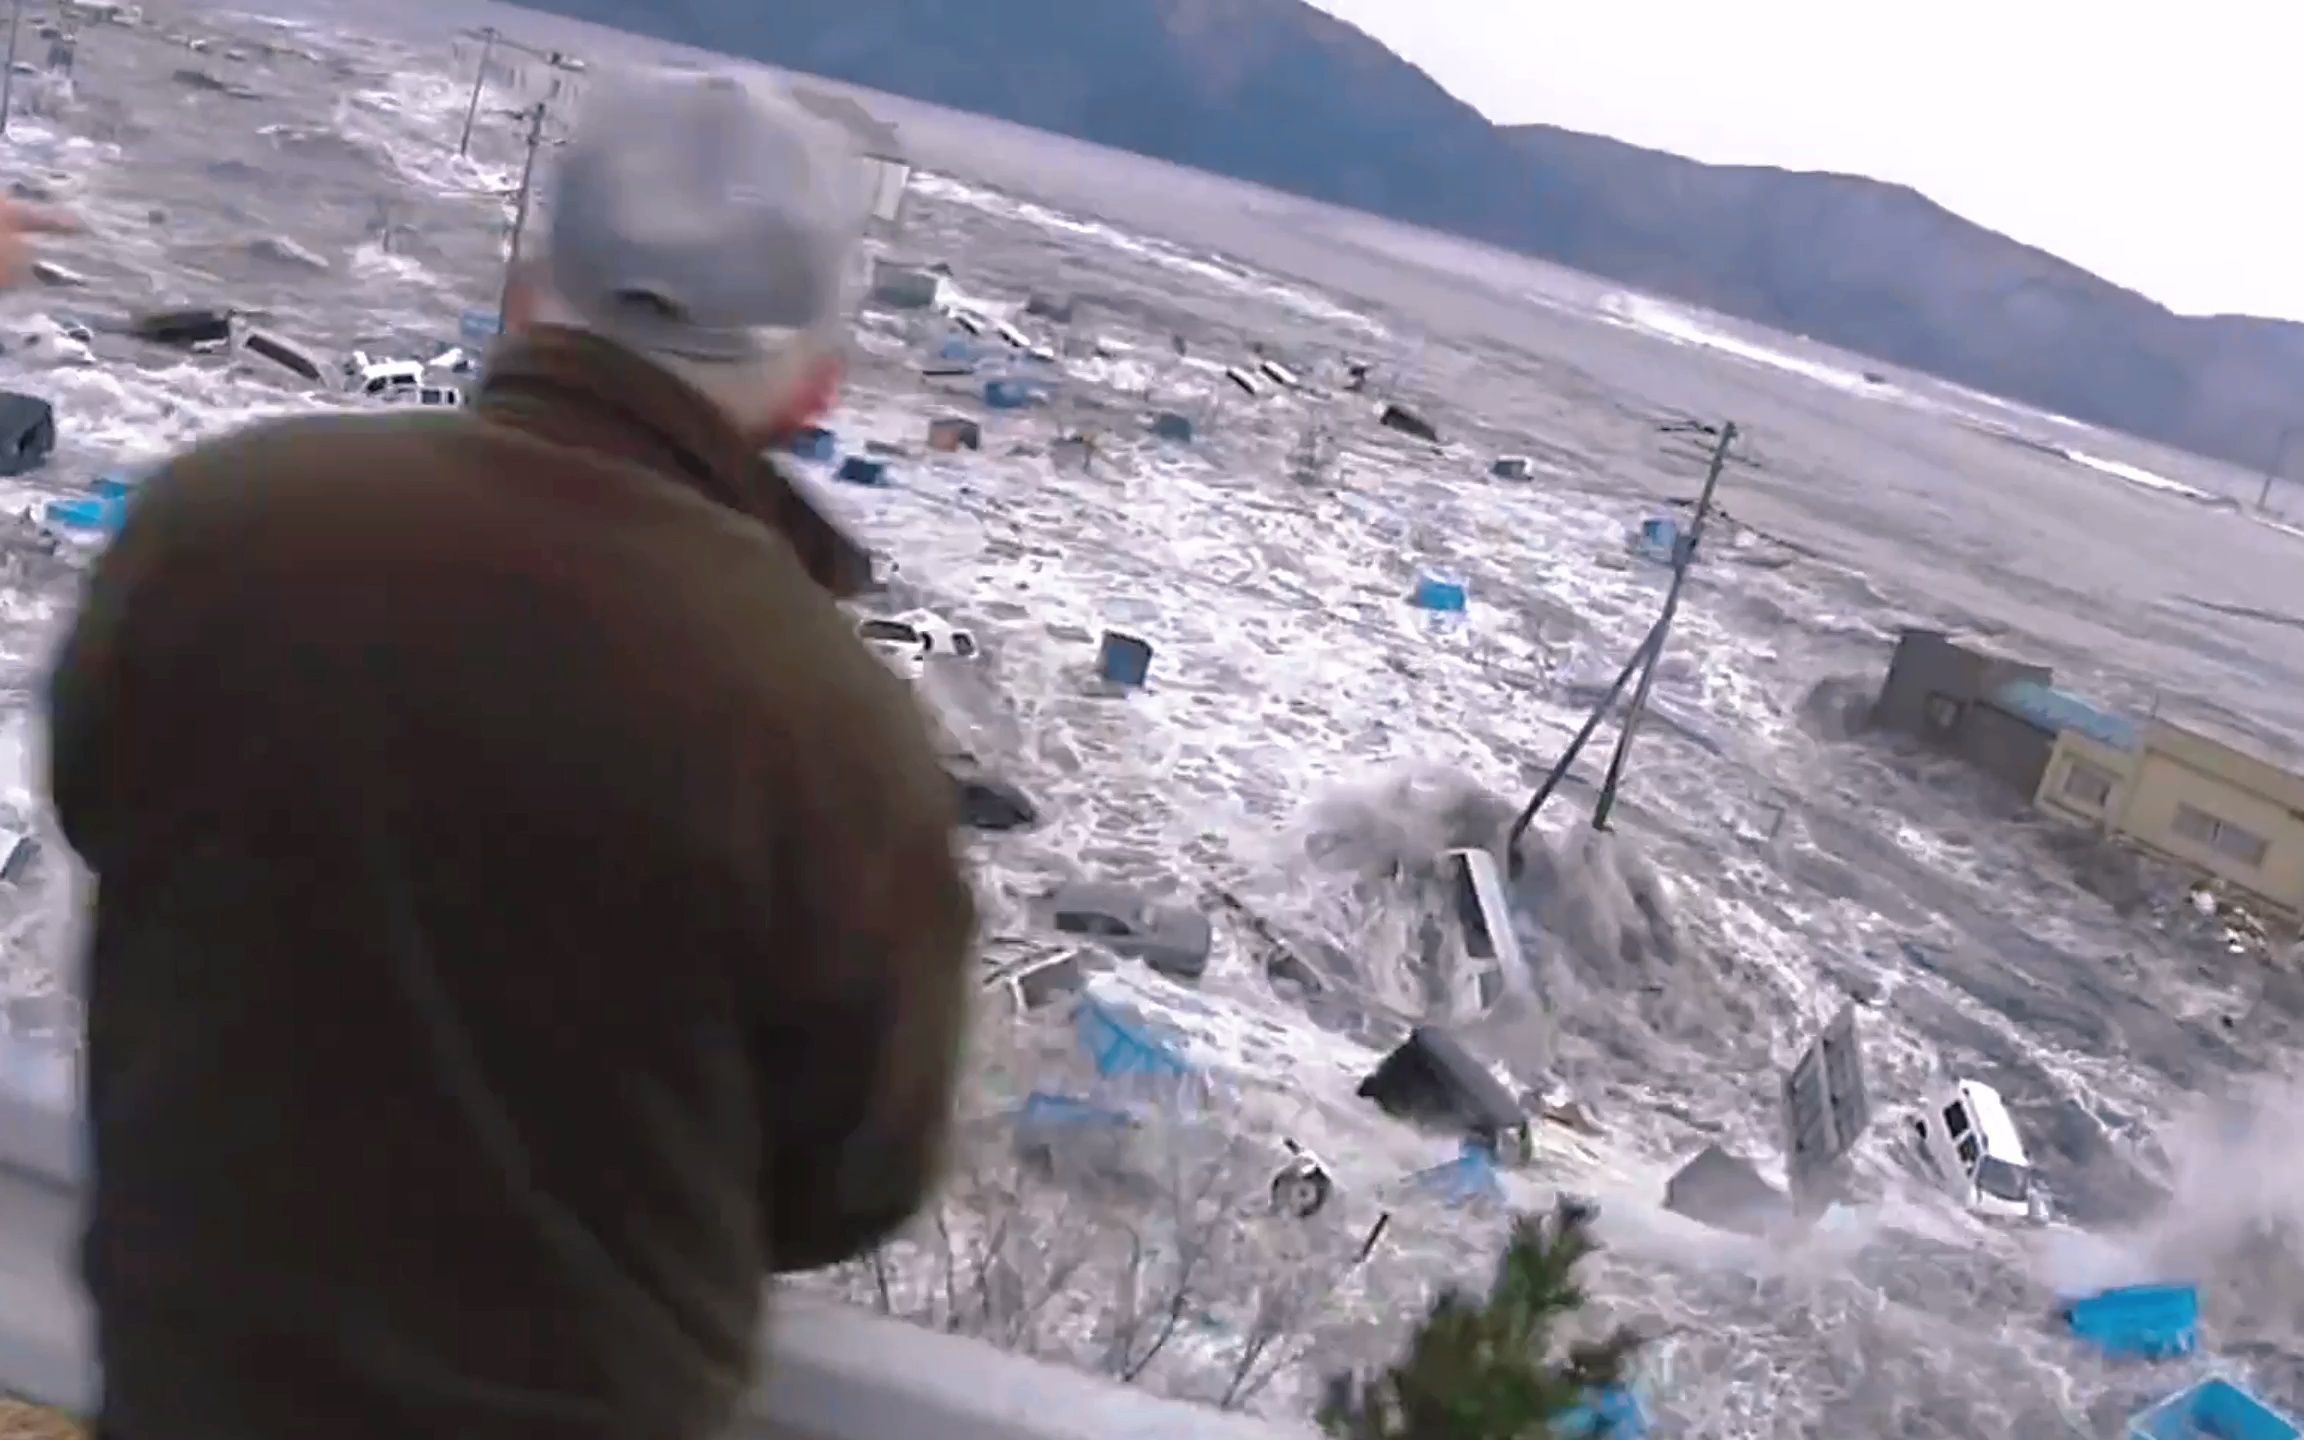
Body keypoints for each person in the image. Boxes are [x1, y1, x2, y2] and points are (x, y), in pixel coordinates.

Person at [47, 66, 975, 1440]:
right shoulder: (833, 726)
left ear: (531, 297)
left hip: (193, 1394)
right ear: (814, 388)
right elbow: (855, 1178)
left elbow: (98, 808)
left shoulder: (216, 524)